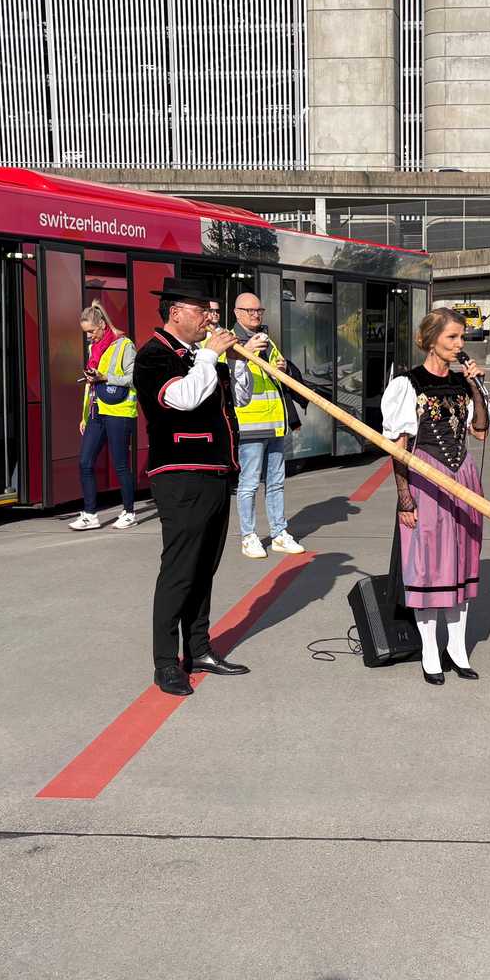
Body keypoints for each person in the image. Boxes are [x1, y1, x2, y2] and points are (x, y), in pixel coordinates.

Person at [133, 279, 269, 696]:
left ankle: (199, 648)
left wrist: (241, 363)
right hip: (179, 472)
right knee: (179, 569)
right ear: (176, 311)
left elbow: (236, 401)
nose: (209, 319)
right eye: (201, 311)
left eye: (210, 312)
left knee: (205, 566)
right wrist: (210, 357)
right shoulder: (154, 355)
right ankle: (164, 662)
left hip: (214, 472)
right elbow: (182, 400)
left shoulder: (203, 355)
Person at [380, 307, 489, 685]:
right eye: (452, 338)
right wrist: (404, 497)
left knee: (461, 562)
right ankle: (430, 651)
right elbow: (399, 447)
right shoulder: (407, 384)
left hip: (463, 477)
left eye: (462, 338)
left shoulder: (463, 382)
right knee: (427, 564)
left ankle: (457, 648)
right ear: (430, 340)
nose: (460, 345)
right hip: (427, 479)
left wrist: (475, 385)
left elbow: (480, 430)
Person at [229, 292, 305, 560]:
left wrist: (282, 369)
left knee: (276, 481)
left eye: (259, 310)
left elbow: (275, 373)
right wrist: (245, 353)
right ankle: (248, 536)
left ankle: (279, 533)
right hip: (250, 423)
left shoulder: (266, 339)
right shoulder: (230, 341)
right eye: (249, 311)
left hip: (275, 421)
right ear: (237, 312)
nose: (255, 315)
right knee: (248, 483)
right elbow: (226, 378)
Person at [71, 304, 138, 531]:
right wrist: (84, 415)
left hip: (119, 411)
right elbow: (93, 385)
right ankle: (90, 514)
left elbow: (134, 378)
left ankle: (129, 512)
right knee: (85, 462)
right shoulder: (94, 349)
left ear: (101, 325)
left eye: (91, 331)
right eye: (86, 333)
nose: (89, 337)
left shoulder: (124, 345)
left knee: (120, 465)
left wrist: (104, 377)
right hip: (96, 411)